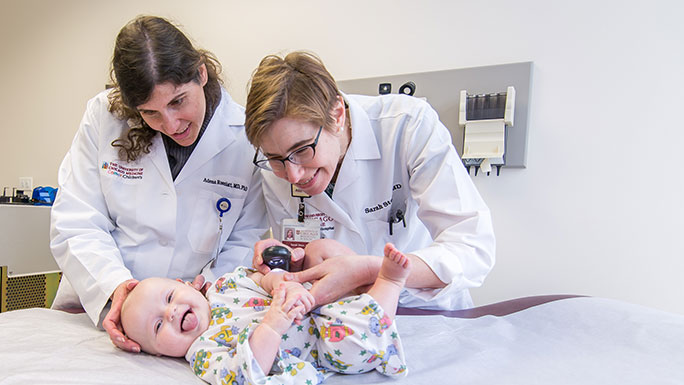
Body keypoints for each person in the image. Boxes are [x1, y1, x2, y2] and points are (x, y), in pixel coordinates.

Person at [50, 16, 266, 352]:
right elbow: (76, 220)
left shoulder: (245, 137)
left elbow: (247, 236)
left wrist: (206, 288)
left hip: (193, 321)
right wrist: (115, 287)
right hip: (104, 309)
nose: (170, 124)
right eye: (150, 112)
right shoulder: (104, 117)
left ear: (201, 72)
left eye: (178, 101)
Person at [245, 51, 495, 310]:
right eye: (275, 158)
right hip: (340, 320)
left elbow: (472, 247)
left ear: (337, 115)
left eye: (303, 150)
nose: (293, 175)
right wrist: (289, 263)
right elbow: (305, 262)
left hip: (426, 310)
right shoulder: (276, 169)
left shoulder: (407, 126)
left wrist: (372, 271)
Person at [120, 241, 410, 384]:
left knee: (323, 249)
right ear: (158, 354)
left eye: (170, 297)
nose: (171, 313)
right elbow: (245, 373)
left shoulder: (225, 284)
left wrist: (284, 285)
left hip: (314, 300)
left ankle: (361, 279)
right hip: (322, 344)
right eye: (158, 327)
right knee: (356, 342)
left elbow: (263, 278)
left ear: (187, 284)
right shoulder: (203, 352)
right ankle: (389, 282)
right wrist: (272, 326)